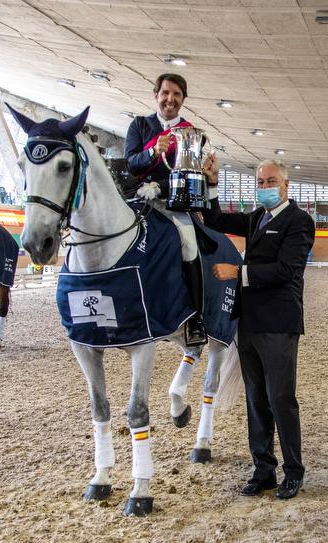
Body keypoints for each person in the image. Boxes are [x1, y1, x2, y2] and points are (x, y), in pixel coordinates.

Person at [203, 158, 315, 500]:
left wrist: (240, 273)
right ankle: (263, 468)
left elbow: (287, 270)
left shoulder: (299, 222)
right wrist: (211, 184)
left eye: (270, 182)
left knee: (281, 397)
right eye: (260, 182)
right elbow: (216, 219)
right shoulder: (256, 218)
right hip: (250, 321)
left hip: (279, 322)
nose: (264, 187)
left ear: (285, 186)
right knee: (255, 398)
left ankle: (293, 470)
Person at [124, 73, 206, 346]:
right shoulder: (139, 125)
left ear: (183, 100)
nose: (170, 99)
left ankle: (195, 318)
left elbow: (188, 172)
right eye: (166, 93)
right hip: (137, 198)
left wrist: (160, 186)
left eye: (177, 95)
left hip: (170, 200)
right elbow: (131, 163)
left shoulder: (191, 131)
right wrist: (152, 152)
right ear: (156, 95)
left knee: (189, 244)